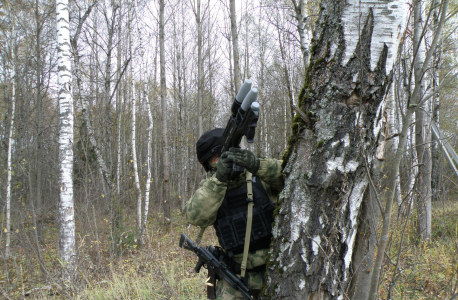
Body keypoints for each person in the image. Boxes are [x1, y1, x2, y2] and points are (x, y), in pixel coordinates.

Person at [185, 128, 284, 300]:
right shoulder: (213, 188)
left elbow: (293, 176)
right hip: (235, 276)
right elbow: (195, 216)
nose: (225, 160)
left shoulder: (259, 173)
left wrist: (258, 165)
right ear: (209, 165)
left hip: (277, 269)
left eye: (227, 153)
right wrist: (219, 180)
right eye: (217, 158)